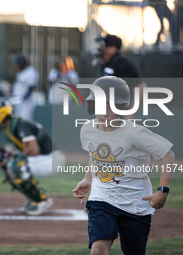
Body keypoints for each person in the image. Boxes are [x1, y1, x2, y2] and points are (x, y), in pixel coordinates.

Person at [72, 76, 175, 255]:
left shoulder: (134, 134)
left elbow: (168, 154)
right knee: (98, 248)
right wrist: (88, 179)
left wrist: (162, 191)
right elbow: (93, 153)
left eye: (109, 108)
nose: (103, 113)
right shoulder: (87, 129)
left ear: (120, 107)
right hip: (102, 199)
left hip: (135, 204)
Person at [0, 97, 66, 215]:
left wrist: (14, 158)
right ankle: (32, 198)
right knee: (10, 163)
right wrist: (9, 157)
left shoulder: (20, 124)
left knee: (16, 165)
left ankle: (41, 201)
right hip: (44, 158)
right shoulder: (9, 127)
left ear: (2, 114)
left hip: (53, 159)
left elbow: (33, 149)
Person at [94, 34, 147, 119]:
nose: (100, 49)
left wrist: (131, 112)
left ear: (112, 49)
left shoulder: (122, 63)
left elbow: (142, 87)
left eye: (104, 46)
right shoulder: (104, 63)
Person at [10, 52, 39, 120]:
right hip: (18, 101)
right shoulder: (19, 73)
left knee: (25, 120)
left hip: (26, 102)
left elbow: (31, 88)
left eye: (18, 64)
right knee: (18, 121)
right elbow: (18, 88)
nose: (16, 66)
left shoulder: (31, 72)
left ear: (22, 63)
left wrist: (22, 98)